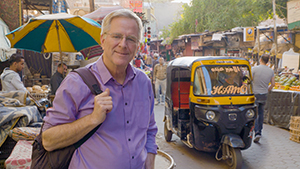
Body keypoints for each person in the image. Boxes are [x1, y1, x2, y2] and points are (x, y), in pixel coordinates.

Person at [42, 9, 158, 169]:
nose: (123, 44)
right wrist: (92, 119)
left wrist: (150, 162)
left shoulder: (143, 82)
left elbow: (150, 130)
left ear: (137, 46)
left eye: (131, 39)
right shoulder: (77, 82)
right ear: (103, 40)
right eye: (116, 36)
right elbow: (48, 140)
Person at [252, 54, 275, 143]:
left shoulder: (254, 69)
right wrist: (267, 89)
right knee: (261, 113)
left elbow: (249, 80)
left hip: (255, 94)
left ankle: (256, 132)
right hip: (264, 94)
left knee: (255, 113)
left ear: (260, 59)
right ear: (268, 61)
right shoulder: (270, 71)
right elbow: (273, 84)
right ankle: (259, 132)